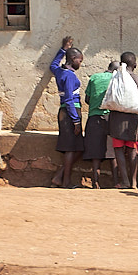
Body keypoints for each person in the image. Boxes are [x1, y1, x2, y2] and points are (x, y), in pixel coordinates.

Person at [48, 36, 84, 188]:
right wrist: (76, 120)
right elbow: (69, 99)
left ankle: (59, 176)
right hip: (71, 112)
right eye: (79, 61)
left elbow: (53, 65)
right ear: (73, 59)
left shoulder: (59, 71)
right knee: (72, 148)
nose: (80, 64)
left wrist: (63, 49)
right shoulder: (69, 76)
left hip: (64, 112)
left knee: (78, 147)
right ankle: (66, 181)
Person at [108, 51, 138, 189]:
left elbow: (109, 98)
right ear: (135, 64)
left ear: (122, 64)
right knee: (132, 150)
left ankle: (124, 181)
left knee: (118, 149)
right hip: (133, 120)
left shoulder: (115, 78)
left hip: (116, 119)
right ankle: (134, 182)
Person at [83, 60, 118, 188]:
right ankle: (116, 182)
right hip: (111, 118)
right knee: (113, 150)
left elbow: (87, 99)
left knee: (95, 151)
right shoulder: (116, 79)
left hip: (93, 117)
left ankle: (95, 181)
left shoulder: (94, 77)